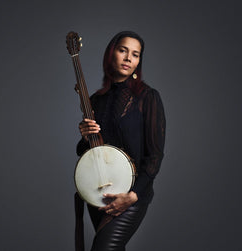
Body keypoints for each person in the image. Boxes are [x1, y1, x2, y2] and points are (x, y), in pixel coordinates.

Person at [75, 31, 166, 251]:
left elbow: (155, 155)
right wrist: (85, 135)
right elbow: (87, 152)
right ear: (111, 53)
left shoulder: (148, 97)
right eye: (123, 50)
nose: (128, 58)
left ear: (138, 62)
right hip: (99, 193)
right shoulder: (95, 99)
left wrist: (133, 196)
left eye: (135, 55)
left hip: (132, 194)